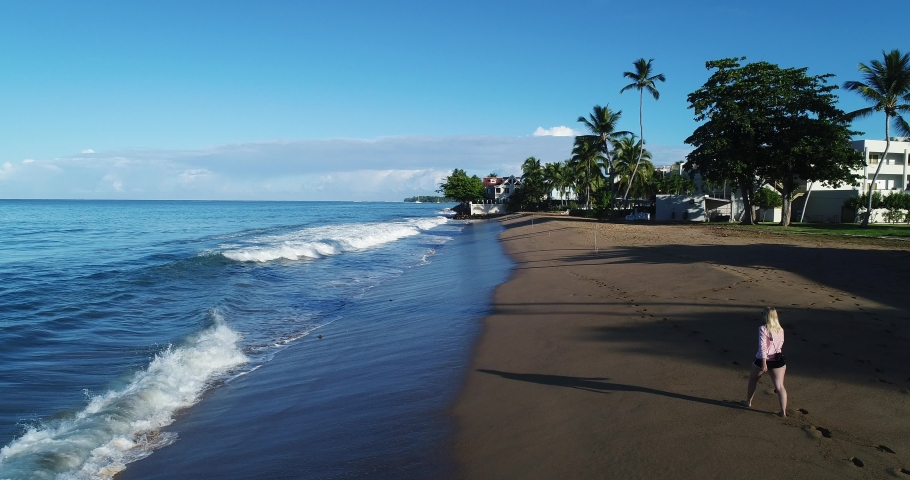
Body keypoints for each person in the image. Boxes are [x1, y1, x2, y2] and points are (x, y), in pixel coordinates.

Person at [744, 307, 787, 416]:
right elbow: (780, 345)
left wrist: (764, 363)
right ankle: (783, 412)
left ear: (766, 316)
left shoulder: (763, 328)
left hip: (762, 360)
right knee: (780, 386)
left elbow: (762, 347)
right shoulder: (780, 329)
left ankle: (748, 402)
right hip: (778, 360)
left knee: (753, 380)